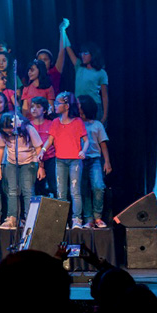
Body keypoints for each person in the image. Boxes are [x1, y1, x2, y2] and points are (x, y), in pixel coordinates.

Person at [40, 91, 90, 229]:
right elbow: (50, 140)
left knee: (75, 191)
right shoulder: (55, 122)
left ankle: (77, 219)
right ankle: (62, 220)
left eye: (58, 103)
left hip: (74, 161)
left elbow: (86, 140)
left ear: (67, 106)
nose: (55, 105)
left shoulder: (77, 122)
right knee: (61, 191)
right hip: (60, 161)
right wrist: (42, 151)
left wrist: (83, 151)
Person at [78, 94, 112, 228]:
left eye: (80, 105)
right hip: (80, 161)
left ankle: (98, 217)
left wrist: (107, 162)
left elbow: (103, 144)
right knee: (83, 189)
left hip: (94, 160)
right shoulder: (76, 123)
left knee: (98, 186)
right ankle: (89, 218)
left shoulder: (97, 124)